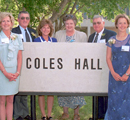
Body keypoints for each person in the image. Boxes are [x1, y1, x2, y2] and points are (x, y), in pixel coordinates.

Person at [55, 14, 87, 120]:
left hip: (76, 67)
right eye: (67, 23)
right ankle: (65, 113)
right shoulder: (58, 34)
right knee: (63, 89)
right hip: (62, 67)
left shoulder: (82, 35)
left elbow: (85, 52)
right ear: (64, 24)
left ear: (75, 24)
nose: (69, 25)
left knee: (76, 90)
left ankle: (76, 113)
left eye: (71, 23)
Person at [88, 15, 116, 120]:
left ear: (103, 23)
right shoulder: (91, 37)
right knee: (95, 92)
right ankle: (97, 114)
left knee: (106, 93)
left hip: (107, 68)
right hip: (94, 69)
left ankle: (106, 115)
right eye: (94, 23)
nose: (96, 25)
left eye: (98, 23)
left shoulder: (111, 35)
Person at [105, 14, 130, 119]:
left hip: (128, 77)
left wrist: (127, 74)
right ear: (116, 24)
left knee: (126, 103)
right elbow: (108, 58)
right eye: (120, 23)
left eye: (124, 23)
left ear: (128, 25)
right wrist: (113, 72)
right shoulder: (111, 39)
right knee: (114, 102)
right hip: (114, 77)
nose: (122, 25)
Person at [12, 11, 36, 120]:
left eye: (27, 18)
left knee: (26, 89)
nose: (25, 20)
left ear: (29, 20)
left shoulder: (33, 32)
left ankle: (25, 113)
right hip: (16, 64)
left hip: (30, 66)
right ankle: (17, 115)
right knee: (17, 90)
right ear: (18, 19)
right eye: (22, 18)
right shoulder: (13, 32)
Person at [0, 12, 23, 120]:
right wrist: (5, 73)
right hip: (1, 73)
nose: (6, 23)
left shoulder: (17, 37)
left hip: (14, 73)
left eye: (8, 21)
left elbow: (19, 56)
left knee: (10, 99)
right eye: (3, 21)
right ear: (0, 23)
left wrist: (17, 72)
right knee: (1, 101)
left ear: (11, 22)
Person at [34, 19, 57, 120]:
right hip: (41, 70)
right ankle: (43, 114)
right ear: (40, 29)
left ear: (50, 29)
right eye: (44, 27)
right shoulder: (36, 40)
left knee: (50, 92)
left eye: (48, 27)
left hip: (52, 70)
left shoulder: (54, 41)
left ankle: (49, 114)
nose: (46, 29)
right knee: (41, 92)